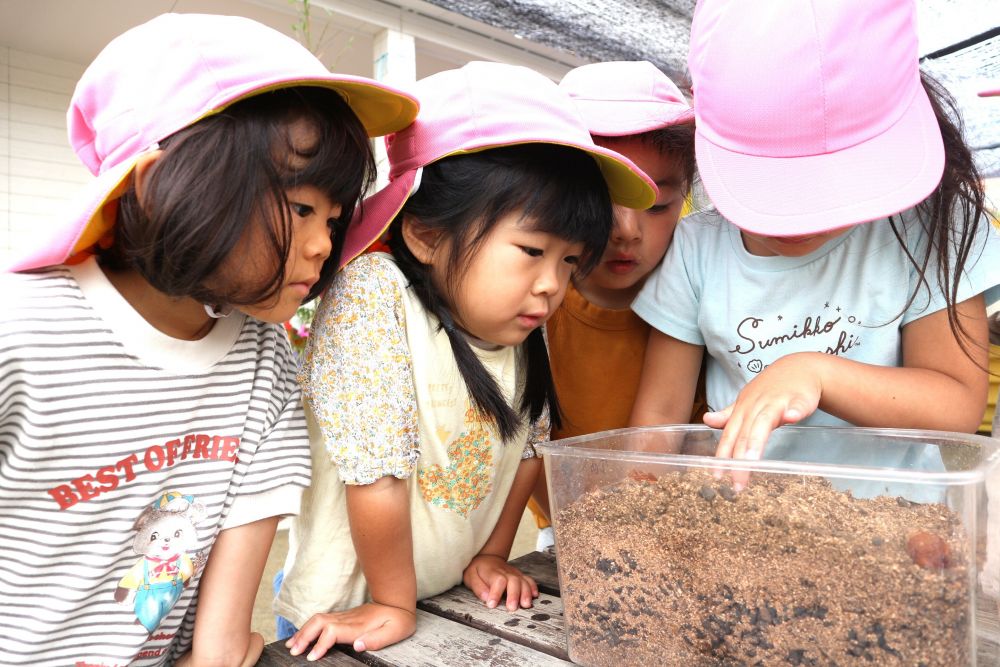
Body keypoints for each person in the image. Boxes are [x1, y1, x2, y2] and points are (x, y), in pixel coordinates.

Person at [0, 13, 417, 667]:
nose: (322, 245)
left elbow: (220, 647)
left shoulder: (264, 362)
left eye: (335, 219)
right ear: (155, 183)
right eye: (301, 208)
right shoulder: (21, 330)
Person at [273, 60, 655, 659]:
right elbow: (376, 469)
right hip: (345, 614)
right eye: (531, 250)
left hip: (443, 604)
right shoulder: (375, 295)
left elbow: (530, 443)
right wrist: (395, 602)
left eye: (570, 262)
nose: (553, 284)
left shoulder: (516, 320)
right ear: (425, 234)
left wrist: (491, 554)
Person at [629, 0, 1000, 486]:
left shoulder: (932, 227)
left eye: (827, 189)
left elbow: (956, 407)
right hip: (743, 523)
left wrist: (816, 374)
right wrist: (636, 503)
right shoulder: (698, 248)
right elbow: (660, 416)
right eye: (767, 186)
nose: (795, 217)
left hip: (896, 525)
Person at [526, 60, 703, 548]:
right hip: (566, 529)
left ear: (686, 196)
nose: (626, 229)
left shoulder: (706, 289)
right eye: (602, 199)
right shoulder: (533, 305)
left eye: (657, 204)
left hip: (693, 531)